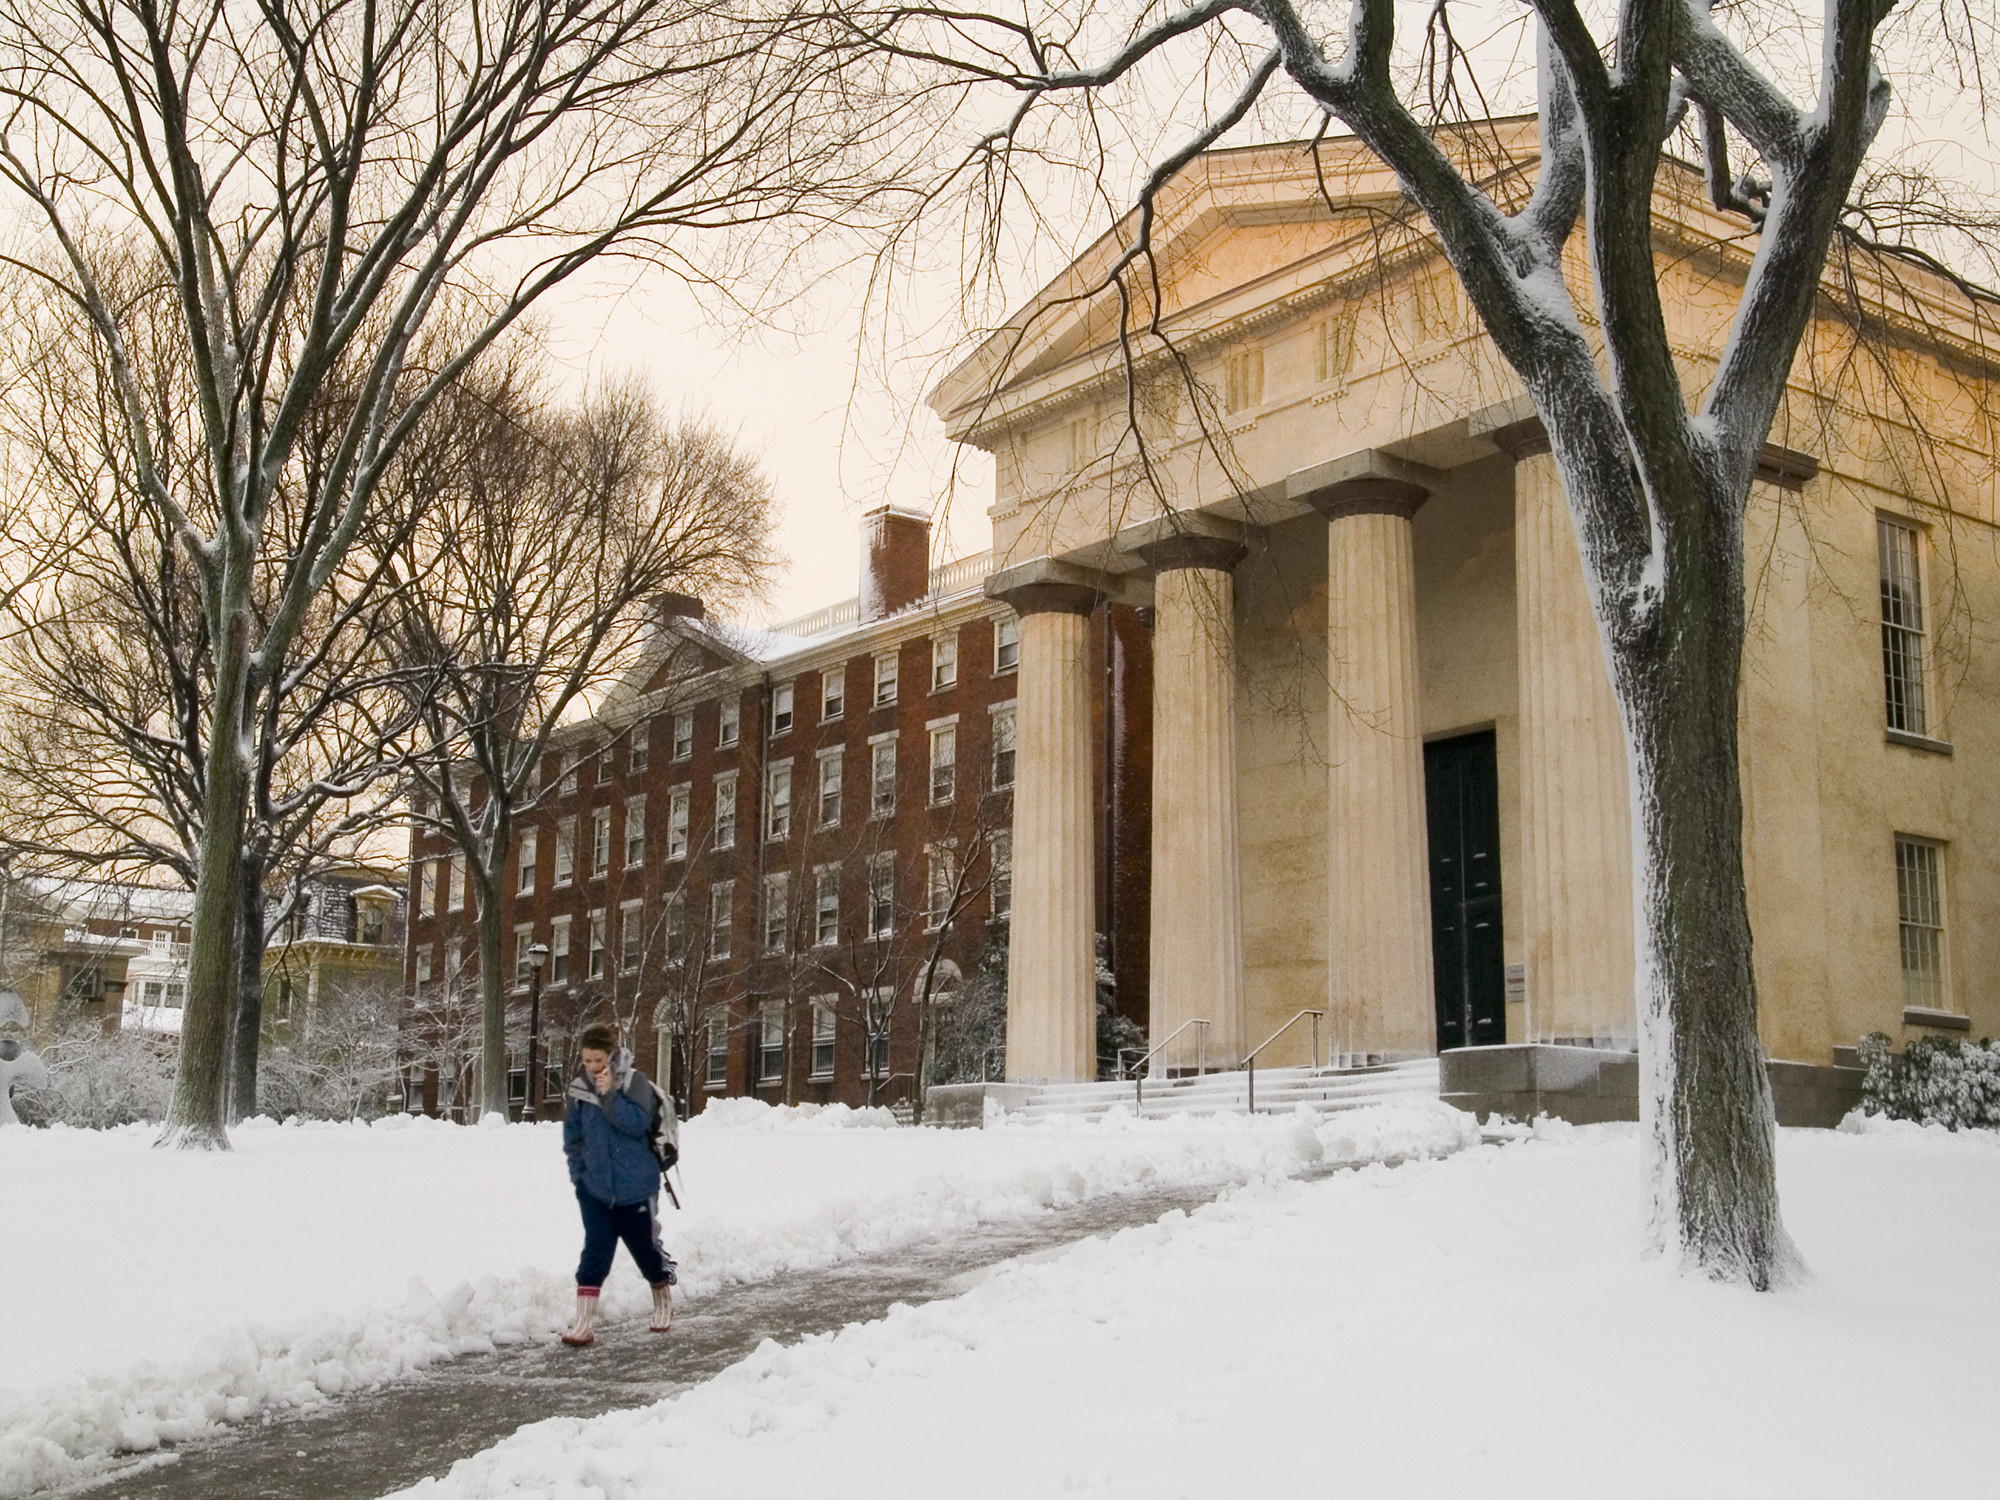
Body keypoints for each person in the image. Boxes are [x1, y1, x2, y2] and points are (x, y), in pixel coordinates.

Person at [560, 1023, 678, 1346]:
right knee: (595, 1253)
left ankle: (663, 1301)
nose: (592, 1067)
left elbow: (636, 1123)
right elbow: (573, 1138)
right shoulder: (579, 1090)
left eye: (597, 1060)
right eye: (587, 1061)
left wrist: (610, 1095)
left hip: (636, 1188)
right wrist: (579, 1177)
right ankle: (584, 1323)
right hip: (596, 1190)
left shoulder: (634, 1082)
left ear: (610, 1056)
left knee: (646, 1251)